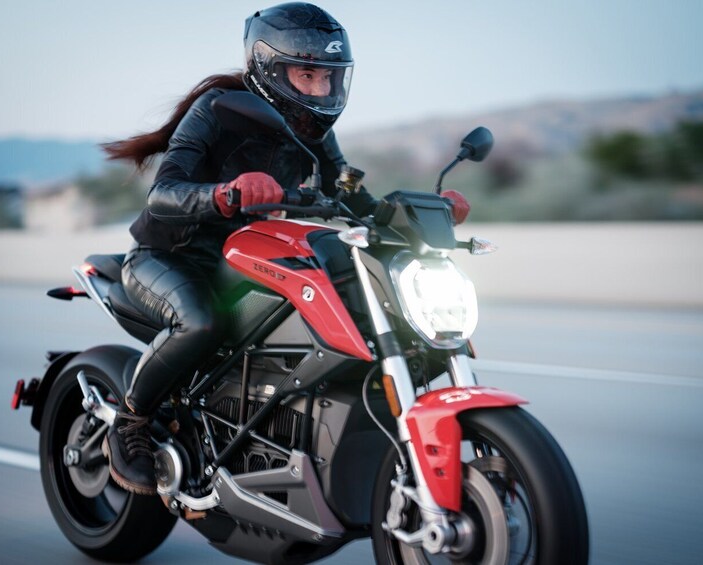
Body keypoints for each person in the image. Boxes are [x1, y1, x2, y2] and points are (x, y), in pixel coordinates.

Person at [100, 2, 471, 495]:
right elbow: (163, 195)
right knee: (200, 323)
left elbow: (353, 200)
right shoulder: (215, 111)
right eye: (307, 75)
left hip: (240, 262)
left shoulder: (313, 131)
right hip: (168, 258)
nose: (320, 90)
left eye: (329, 78)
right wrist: (224, 194)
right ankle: (130, 422)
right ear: (269, 68)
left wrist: (425, 211)